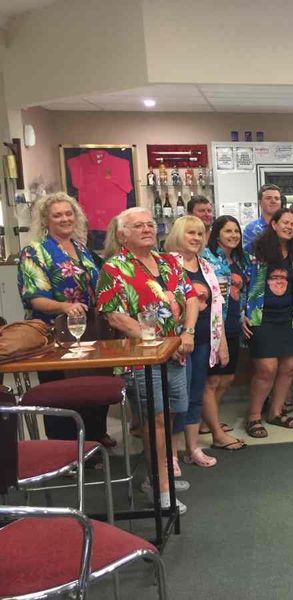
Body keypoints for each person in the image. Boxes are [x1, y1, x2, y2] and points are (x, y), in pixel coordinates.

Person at [96, 207, 198, 514]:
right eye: (138, 225)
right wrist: (147, 336)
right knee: (154, 421)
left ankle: (156, 475)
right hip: (141, 357)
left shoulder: (169, 262)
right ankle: (161, 488)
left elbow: (190, 296)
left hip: (175, 353)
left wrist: (188, 332)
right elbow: (113, 314)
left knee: (168, 416)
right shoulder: (114, 268)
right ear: (122, 234)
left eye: (150, 224)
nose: (147, 229)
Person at [17, 192, 108, 444]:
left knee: (91, 386)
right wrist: (64, 306)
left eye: (69, 214)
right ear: (46, 220)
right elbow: (34, 297)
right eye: (57, 215)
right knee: (61, 392)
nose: (65, 219)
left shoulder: (82, 249)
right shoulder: (35, 251)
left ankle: (93, 439)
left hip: (90, 330)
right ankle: (64, 447)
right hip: (54, 335)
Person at [165, 216, 229, 468]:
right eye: (190, 233)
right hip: (178, 342)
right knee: (176, 400)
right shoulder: (167, 265)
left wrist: (221, 342)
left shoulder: (205, 265)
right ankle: (171, 453)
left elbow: (217, 306)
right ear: (178, 235)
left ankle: (193, 448)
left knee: (195, 396)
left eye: (200, 233)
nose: (196, 238)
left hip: (204, 340)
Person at [243, 207, 293, 437]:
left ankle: (275, 412)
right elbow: (244, 283)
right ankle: (254, 416)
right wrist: (242, 314)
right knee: (266, 369)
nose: (289, 227)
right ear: (274, 224)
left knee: (288, 367)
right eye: (285, 222)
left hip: (289, 316)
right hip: (262, 317)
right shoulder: (256, 250)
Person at [201, 216, 250, 451]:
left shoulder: (240, 259)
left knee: (228, 377)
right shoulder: (207, 259)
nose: (233, 235)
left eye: (236, 231)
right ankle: (215, 431)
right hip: (214, 327)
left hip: (234, 324)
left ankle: (208, 419)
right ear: (216, 234)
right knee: (212, 379)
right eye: (227, 231)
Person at [243, 184, 283, 253]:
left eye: (277, 198)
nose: (273, 201)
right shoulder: (251, 229)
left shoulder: (287, 226)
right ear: (260, 202)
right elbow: (249, 255)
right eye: (268, 198)